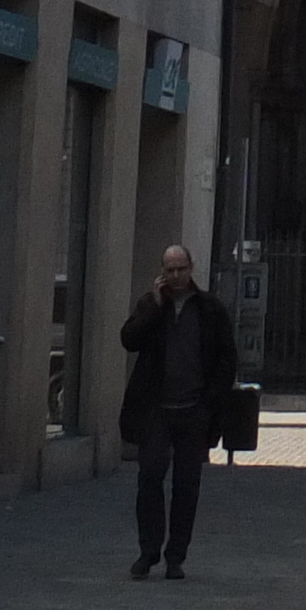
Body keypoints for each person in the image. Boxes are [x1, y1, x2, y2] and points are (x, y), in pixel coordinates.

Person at [117, 242, 236, 578]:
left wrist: (209, 404)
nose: (175, 275)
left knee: (187, 485)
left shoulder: (209, 309)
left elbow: (227, 359)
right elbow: (129, 340)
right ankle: (148, 551)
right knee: (150, 479)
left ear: (191, 267)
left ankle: (176, 556)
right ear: (162, 272)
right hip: (157, 410)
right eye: (169, 270)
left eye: (181, 268)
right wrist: (154, 308)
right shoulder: (151, 304)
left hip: (193, 409)